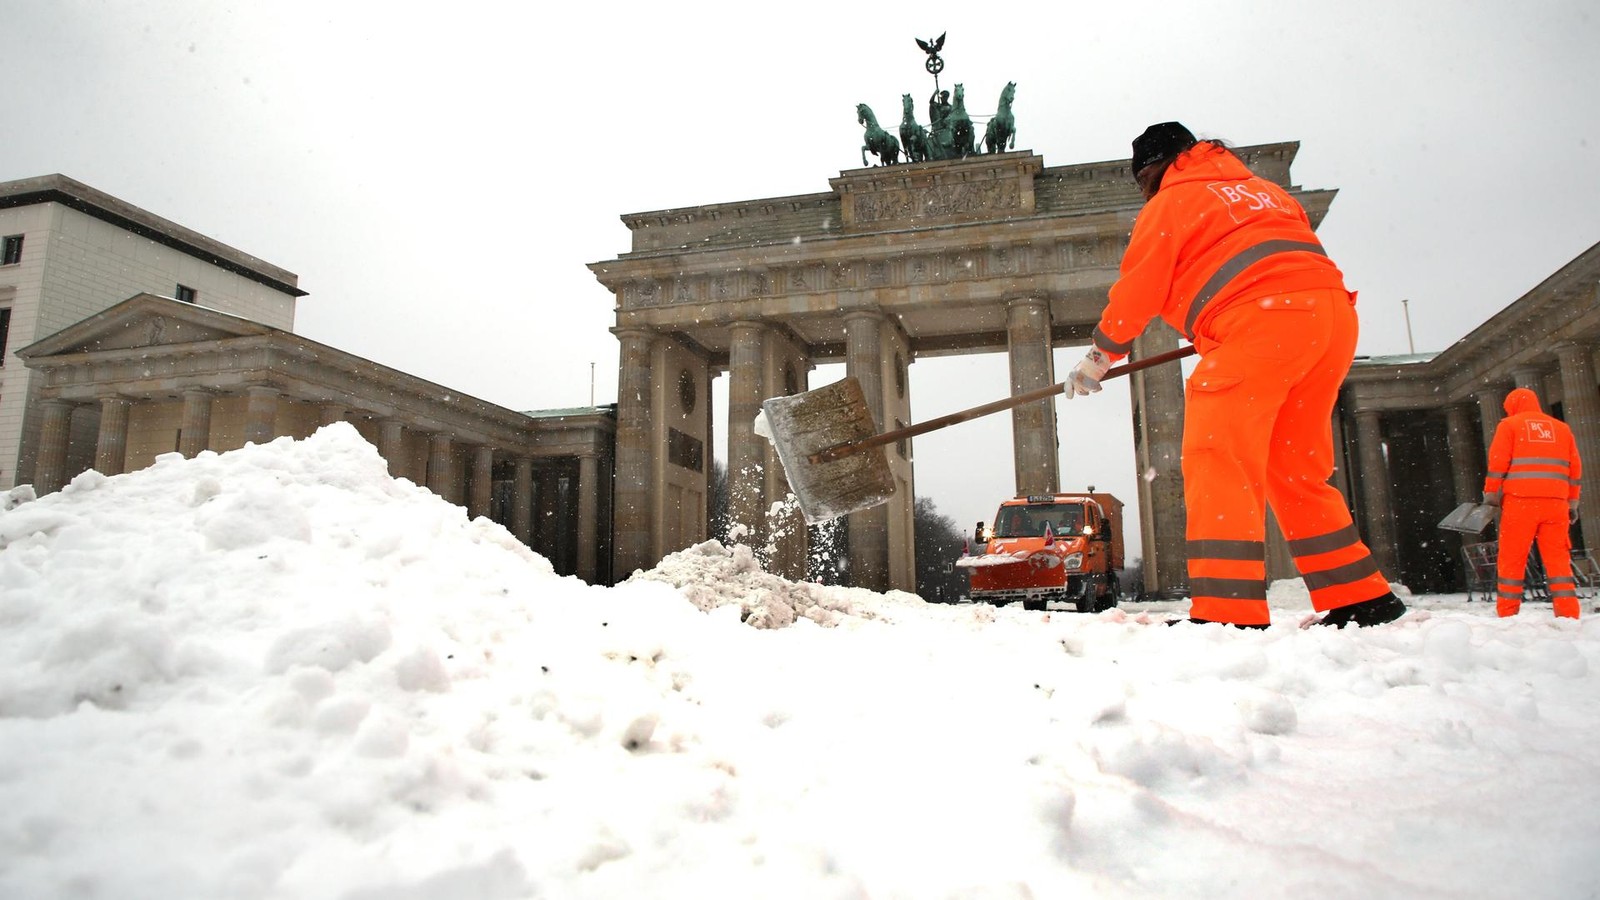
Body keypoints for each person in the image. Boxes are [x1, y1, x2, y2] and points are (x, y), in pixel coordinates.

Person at [1065, 121, 1406, 628]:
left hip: (1263, 321)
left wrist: (1098, 358)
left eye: (1142, 180)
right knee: (1293, 468)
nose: (1145, 190)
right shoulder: (1264, 192)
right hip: (1330, 321)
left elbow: (1139, 291)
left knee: (1217, 456)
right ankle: (1360, 595)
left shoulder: (1170, 204)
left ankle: (1229, 612)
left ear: (1157, 167)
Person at [1483, 387, 1584, 618]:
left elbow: (1498, 461)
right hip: (1556, 504)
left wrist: (1491, 493)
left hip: (1521, 503)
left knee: (1512, 559)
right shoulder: (1562, 428)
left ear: (1512, 406)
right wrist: (1573, 501)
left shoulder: (1509, 425)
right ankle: (1568, 613)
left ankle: (1508, 613)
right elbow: (1575, 468)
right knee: (1559, 561)